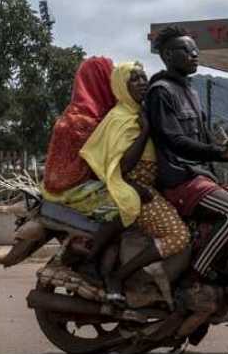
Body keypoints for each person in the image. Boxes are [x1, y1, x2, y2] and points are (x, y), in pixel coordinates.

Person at [146, 25, 228, 277]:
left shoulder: (190, 91)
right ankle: (197, 274)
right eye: (187, 50)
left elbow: (205, 139)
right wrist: (218, 153)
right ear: (169, 56)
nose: (194, 54)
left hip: (199, 175)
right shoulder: (161, 91)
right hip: (179, 178)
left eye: (195, 49)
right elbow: (174, 140)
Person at [80, 62, 191, 286]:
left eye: (143, 77)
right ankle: (118, 278)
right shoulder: (119, 118)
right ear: (121, 85)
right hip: (133, 188)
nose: (142, 82)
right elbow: (122, 167)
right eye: (134, 79)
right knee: (179, 237)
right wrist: (144, 132)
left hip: (152, 185)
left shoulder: (141, 111)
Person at [43, 56, 116, 195]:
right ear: (103, 81)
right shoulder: (102, 121)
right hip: (81, 191)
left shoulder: (68, 115)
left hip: (52, 190)